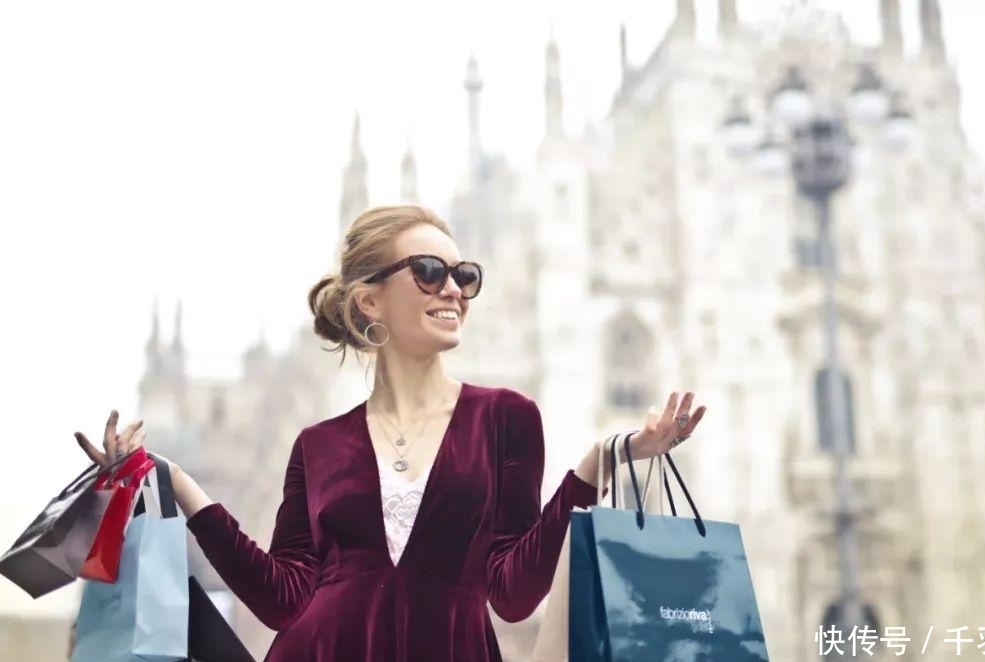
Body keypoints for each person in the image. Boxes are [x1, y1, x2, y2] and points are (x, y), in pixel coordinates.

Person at [75, 205, 706, 662]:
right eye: (429, 270)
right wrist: (179, 483)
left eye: (465, 275)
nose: (453, 289)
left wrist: (598, 462)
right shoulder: (318, 445)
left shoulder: (507, 418)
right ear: (370, 301)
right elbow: (283, 600)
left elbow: (514, 595)